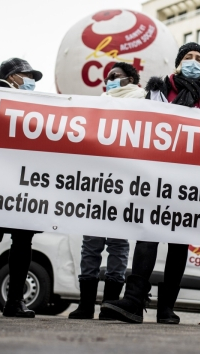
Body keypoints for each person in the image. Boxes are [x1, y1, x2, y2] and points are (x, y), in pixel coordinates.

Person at [101, 43, 200, 324]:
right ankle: (133, 300)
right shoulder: (157, 89)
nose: (193, 62)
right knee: (148, 233)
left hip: (191, 180)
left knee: (179, 242)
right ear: (178, 62)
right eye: (188, 57)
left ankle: (166, 307)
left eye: (198, 58)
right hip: (156, 175)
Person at [68, 62, 142, 320]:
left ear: (130, 79)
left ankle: (111, 304)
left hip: (124, 185)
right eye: (107, 76)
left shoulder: (143, 103)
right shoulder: (98, 104)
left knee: (118, 247)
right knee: (91, 246)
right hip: (98, 184)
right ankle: (85, 305)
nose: (109, 80)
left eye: (115, 76)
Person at [0, 58, 43, 319]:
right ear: (12, 77)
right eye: (27, 75)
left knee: (23, 240)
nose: (31, 81)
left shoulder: (40, 105)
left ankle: (15, 301)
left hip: (26, 182)